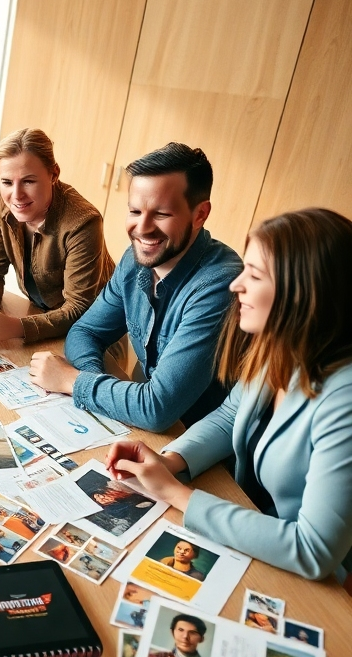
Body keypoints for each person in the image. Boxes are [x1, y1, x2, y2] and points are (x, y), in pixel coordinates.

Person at [105, 208, 352, 581]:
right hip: (249, 530)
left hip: (315, 581)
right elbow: (229, 415)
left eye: (254, 275)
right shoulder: (282, 350)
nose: (237, 285)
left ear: (302, 294)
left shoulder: (344, 399)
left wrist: (177, 495)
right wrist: (169, 461)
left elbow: (313, 549)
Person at [30, 143, 242, 432]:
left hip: (198, 446)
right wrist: (93, 385)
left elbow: (156, 410)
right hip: (144, 427)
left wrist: (71, 380)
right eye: (134, 210)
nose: (142, 228)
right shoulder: (137, 258)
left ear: (200, 215)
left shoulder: (220, 285)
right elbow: (86, 331)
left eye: (162, 214)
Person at [0, 128, 114, 343]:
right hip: (44, 314)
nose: (16, 195)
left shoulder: (83, 222)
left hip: (95, 329)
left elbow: (79, 307)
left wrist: (18, 326)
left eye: (29, 181)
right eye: (7, 182)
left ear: (54, 174)